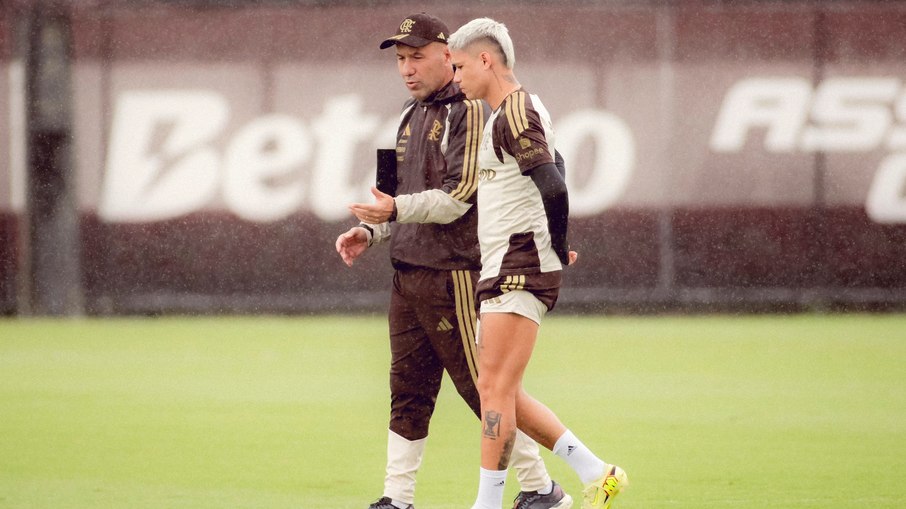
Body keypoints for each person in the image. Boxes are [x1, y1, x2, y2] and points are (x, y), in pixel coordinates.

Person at [335, 13, 572, 509]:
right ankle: (396, 499)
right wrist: (371, 231)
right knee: (407, 393)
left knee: (486, 392)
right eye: (400, 59)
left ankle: (539, 489)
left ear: (449, 55)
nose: (406, 68)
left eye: (416, 56)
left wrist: (393, 210)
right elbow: (390, 194)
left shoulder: (473, 112)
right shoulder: (405, 115)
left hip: (457, 276)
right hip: (408, 272)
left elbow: (457, 197)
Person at [447, 18, 629, 509]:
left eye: (460, 66)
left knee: (495, 393)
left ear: (486, 60)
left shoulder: (516, 110)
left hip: (518, 267)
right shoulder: (510, 111)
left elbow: (554, 183)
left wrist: (558, 243)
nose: (456, 76)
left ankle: (486, 504)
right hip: (509, 265)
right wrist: (556, 241)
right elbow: (558, 165)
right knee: (501, 390)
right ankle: (599, 471)